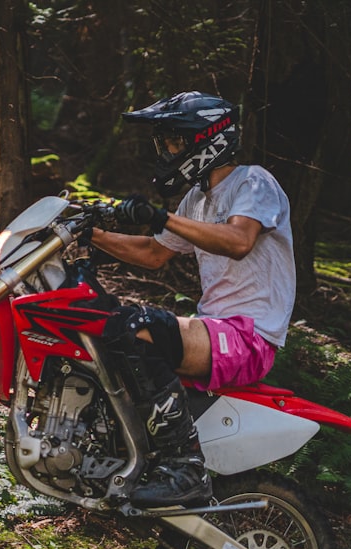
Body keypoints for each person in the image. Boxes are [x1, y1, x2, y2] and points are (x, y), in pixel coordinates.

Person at [89, 91, 296, 508]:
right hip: (217, 332)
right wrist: (88, 231)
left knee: (139, 328)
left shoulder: (253, 182)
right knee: (105, 326)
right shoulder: (196, 199)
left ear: (207, 138)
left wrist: (161, 217)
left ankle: (186, 467)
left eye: (174, 141)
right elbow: (153, 253)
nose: (167, 150)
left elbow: (239, 240)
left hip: (250, 337)